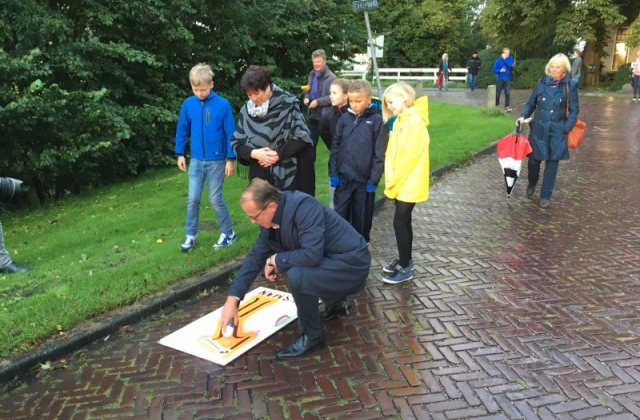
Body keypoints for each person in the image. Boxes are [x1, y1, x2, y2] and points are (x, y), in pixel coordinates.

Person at [219, 178, 370, 359]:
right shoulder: (270, 221)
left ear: (271, 207)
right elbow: (255, 258)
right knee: (300, 267)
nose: (252, 221)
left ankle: (313, 336)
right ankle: (337, 305)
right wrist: (232, 300)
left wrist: (276, 259)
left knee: (299, 275)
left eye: (254, 216)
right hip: (333, 259)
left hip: (352, 263)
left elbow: (312, 254)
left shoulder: (304, 207)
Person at [175, 63, 237, 252]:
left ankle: (229, 233)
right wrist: (180, 153)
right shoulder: (188, 104)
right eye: (196, 89)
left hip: (217, 161)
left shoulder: (223, 105)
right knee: (192, 198)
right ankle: (191, 234)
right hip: (196, 160)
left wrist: (231, 158)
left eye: (203, 89)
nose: (200, 93)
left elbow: (230, 133)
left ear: (212, 84)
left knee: (215, 198)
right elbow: (182, 129)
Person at [231, 66, 315, 195]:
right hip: (259, 174)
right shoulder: (245, 111)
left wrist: (277, 155)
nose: (254, 98)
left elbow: (302, 136)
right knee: (264, 213)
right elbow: (237, 142)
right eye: (249, 94)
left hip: (290, 174)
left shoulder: (288, 104)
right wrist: (254, 153)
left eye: (256, 92)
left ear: (268, 86)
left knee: (288, 212)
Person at [380, 82, 430, 284]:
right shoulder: (401, 120)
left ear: (404, 97)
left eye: (391, 101)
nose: (389, 106)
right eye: (387, 103)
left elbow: (408, 156)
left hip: (408, 179)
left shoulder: (413, 121)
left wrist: (394, 180)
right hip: (402, 180)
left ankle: (405, 266)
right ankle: (405, 260)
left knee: (399, 221)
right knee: (404, 220)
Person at [516, 53, 579, 208]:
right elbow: (531, 103)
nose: (554, 69)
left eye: (557, 67)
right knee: (533, 161)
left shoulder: (569, 85)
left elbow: (574, 110)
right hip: (539, 129)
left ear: (564, 69)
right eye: (552, 66)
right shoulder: (541, 83)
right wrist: (523, 116)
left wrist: (565, 127)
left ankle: (546, 195)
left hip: (557, 131)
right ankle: (532, 182)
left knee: (552, 164)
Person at [329, 80, 388, 243]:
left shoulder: (377, 121)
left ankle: (361, 245)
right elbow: (335, 147)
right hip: (344, 178)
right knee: (340, 214)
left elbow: (380, 153)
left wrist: (374, 179)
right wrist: (333, 172)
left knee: (361, 216)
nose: (354, 105)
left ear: (368, 99)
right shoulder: (344, 119)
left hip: (364, 180)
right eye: (351, 101)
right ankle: (340, 244)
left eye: (359, 101)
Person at [319, 78, 351, 209]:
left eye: (334, 93)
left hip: (353, 165)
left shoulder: (353, 115)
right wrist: (334, 148)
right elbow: (324, 132)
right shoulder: (329, 116)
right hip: (336, 164)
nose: (330, 96)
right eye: (330, 93)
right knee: (335, 201)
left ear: (346, 95)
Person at [304, 49, 337, 150]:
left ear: (324, 62)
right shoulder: (312, 74)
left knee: (331, 144)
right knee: (310, 144)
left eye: (318, 62)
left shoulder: (332, 78)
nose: (316, 64)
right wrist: (306, 96)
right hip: (313, 115)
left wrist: (317, 102)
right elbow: (308, 88)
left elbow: (333, 97)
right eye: (314, 62)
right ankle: (310, 165)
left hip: (325, 117)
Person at [493, 47, 514, 112]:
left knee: (507, 93)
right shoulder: (498, 60)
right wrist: (500, 70)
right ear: (503, 53)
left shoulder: (510, 58)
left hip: (507, 79)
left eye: (508, 53)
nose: (507, 54)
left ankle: (507, 106)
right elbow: (494, 70)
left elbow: (510, 65)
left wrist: (505, 59)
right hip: (500, 79)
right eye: (506, 53)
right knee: (498, 93)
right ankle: (496, 105)